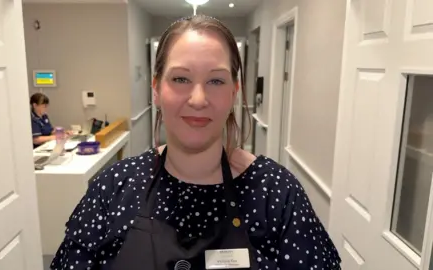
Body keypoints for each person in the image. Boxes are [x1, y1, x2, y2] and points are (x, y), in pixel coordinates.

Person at [50, 15, 341, 270]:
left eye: (216, 81)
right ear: (156, 90)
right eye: (180, 79)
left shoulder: (275, 193)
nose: (198, 99)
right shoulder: (114, 187)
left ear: (234, 93)